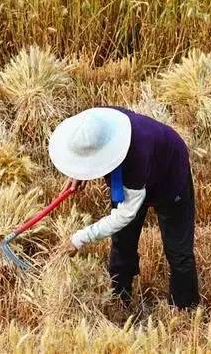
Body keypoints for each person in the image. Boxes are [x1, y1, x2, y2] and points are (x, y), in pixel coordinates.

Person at [48, 106, 199, 309]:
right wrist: (80, 170)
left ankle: (185, 309)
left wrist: (79, 239)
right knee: (122, 243)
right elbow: (93, 146)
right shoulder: (100, 120)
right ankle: (120, 300)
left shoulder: (137, 157)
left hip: (169, 176)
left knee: (178, 252)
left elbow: (125, 214)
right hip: (132, 173)